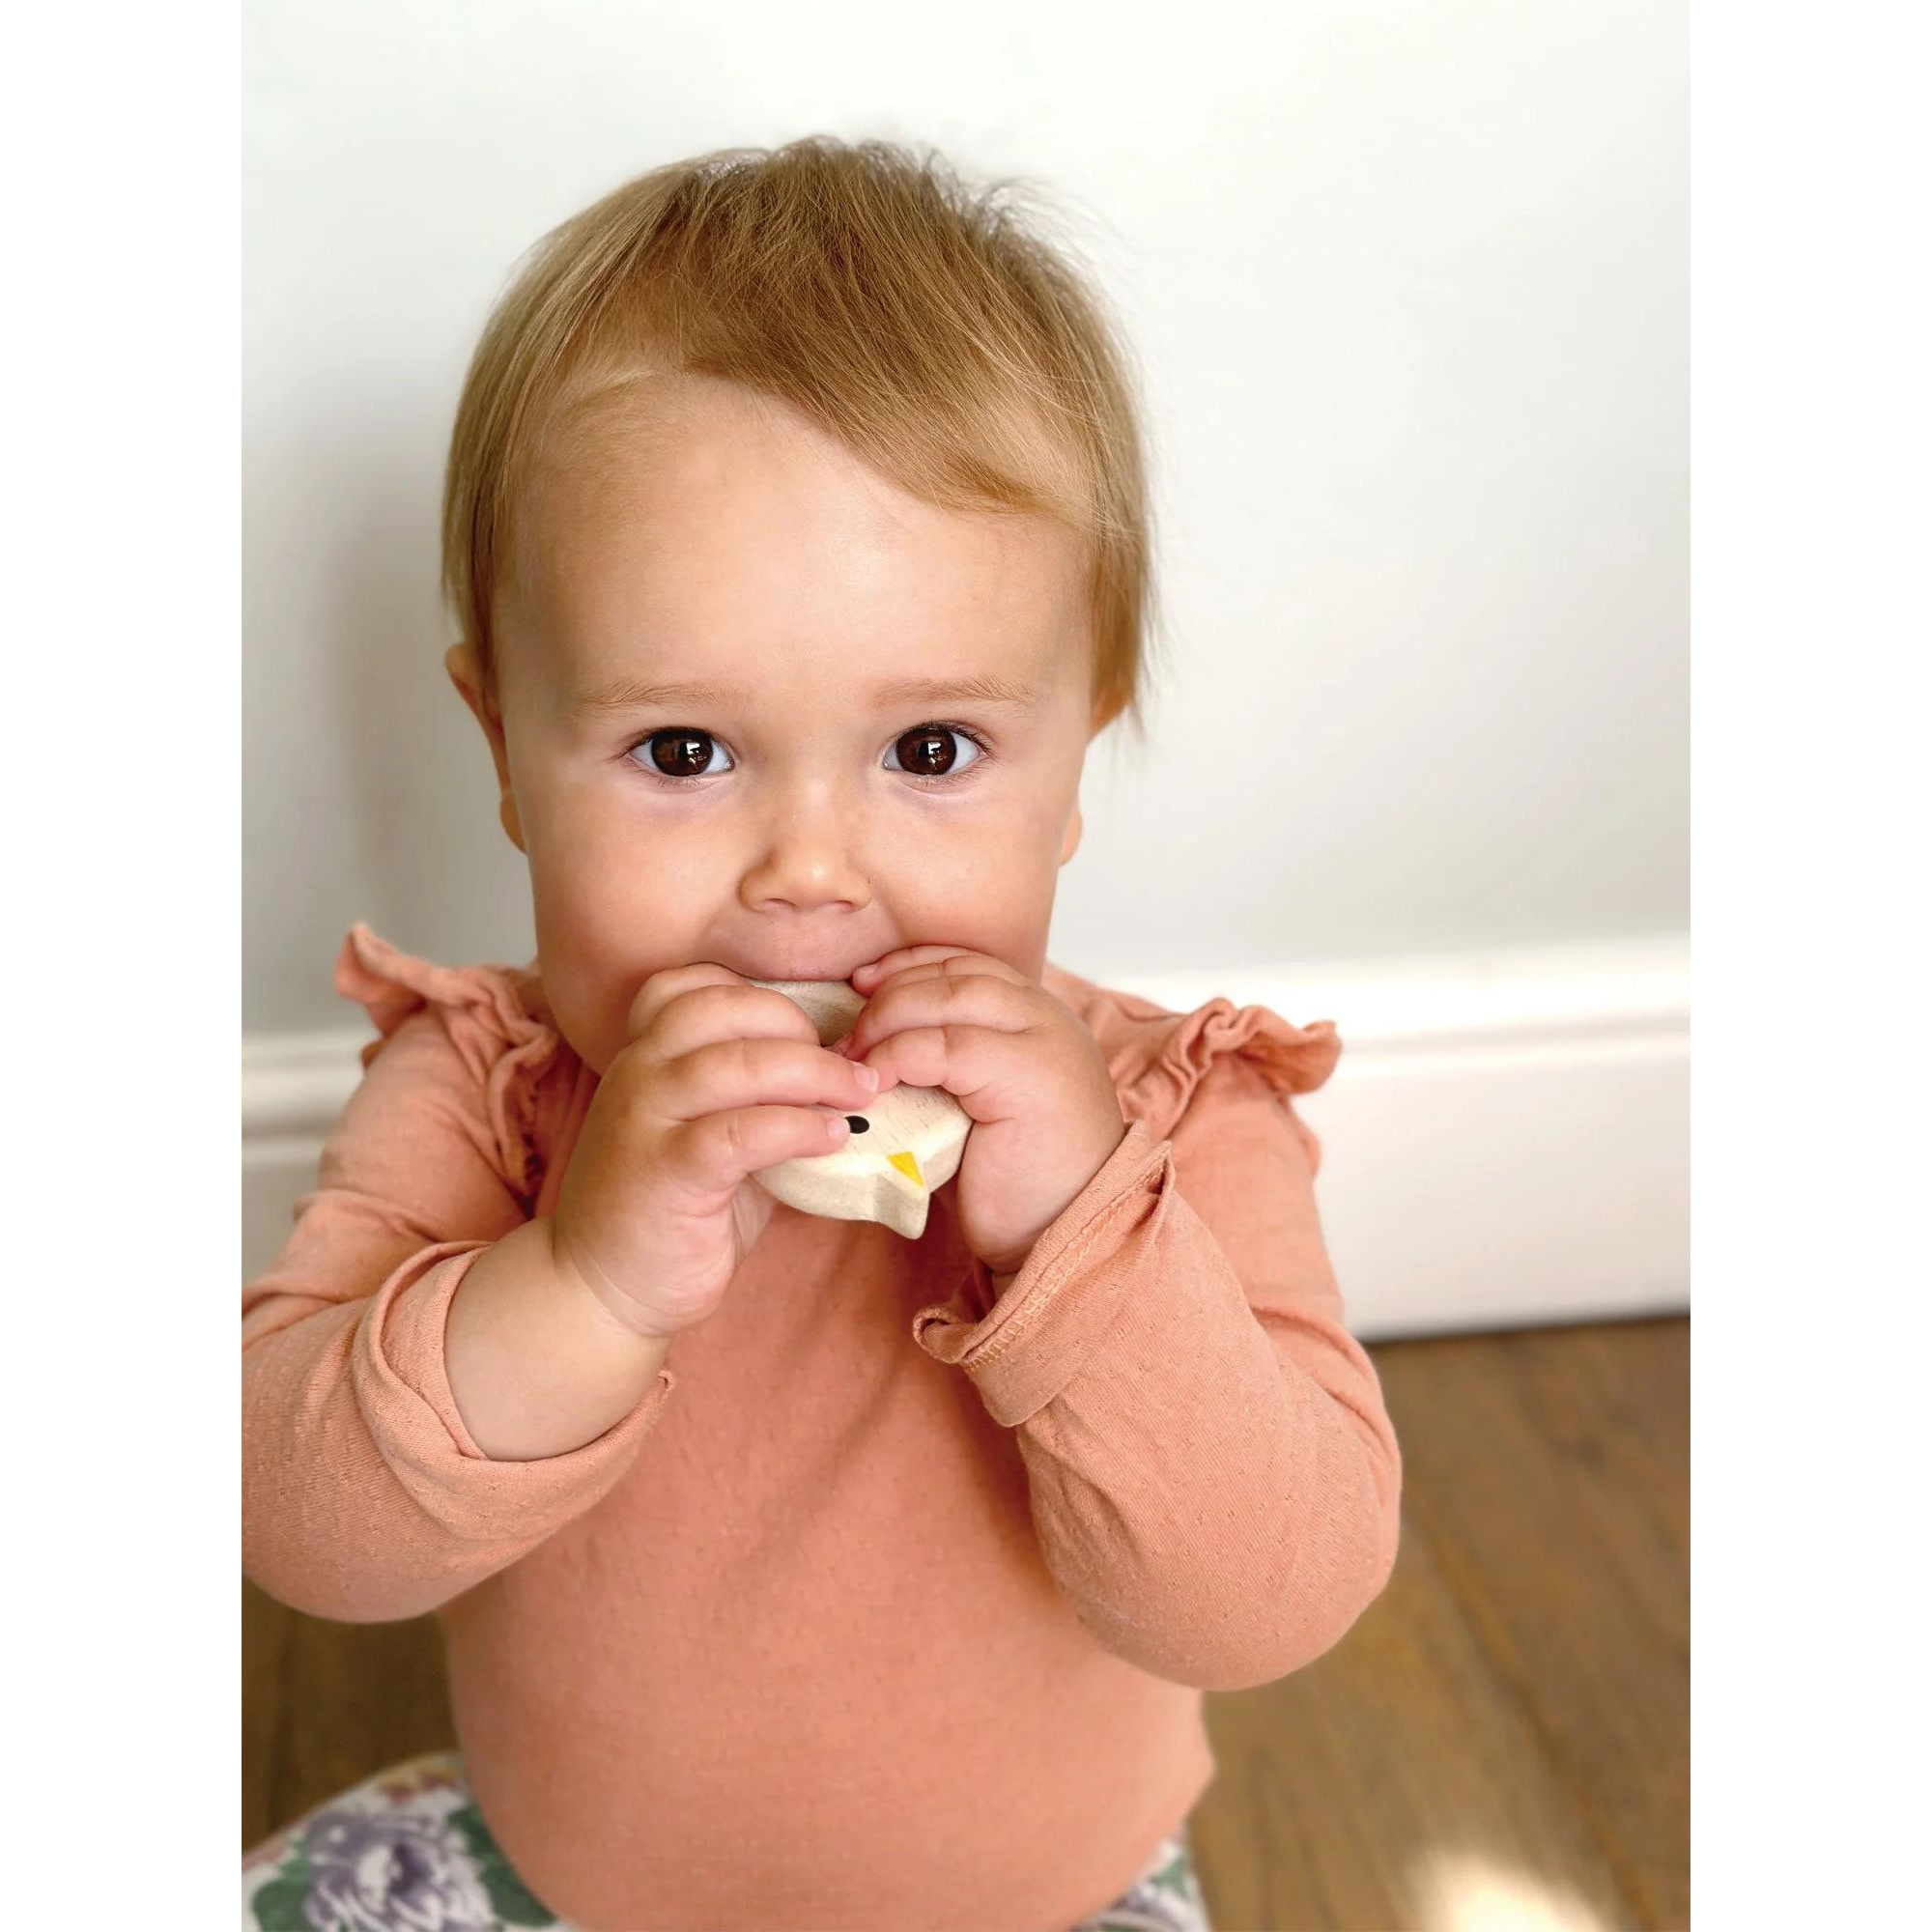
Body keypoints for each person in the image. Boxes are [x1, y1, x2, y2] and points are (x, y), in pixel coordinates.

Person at [242, 135, 1403, 1932]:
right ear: (505, 751)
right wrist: (585, 1283)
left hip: (1050, 1892)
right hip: (570, 1877)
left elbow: (1268, 1604)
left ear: (1074, 757)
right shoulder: (485, 1088)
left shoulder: (1177, 1114)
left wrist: (1077, 1233)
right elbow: (303, 1531)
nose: (807, 876)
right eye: (682, 751)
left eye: (931, 751)